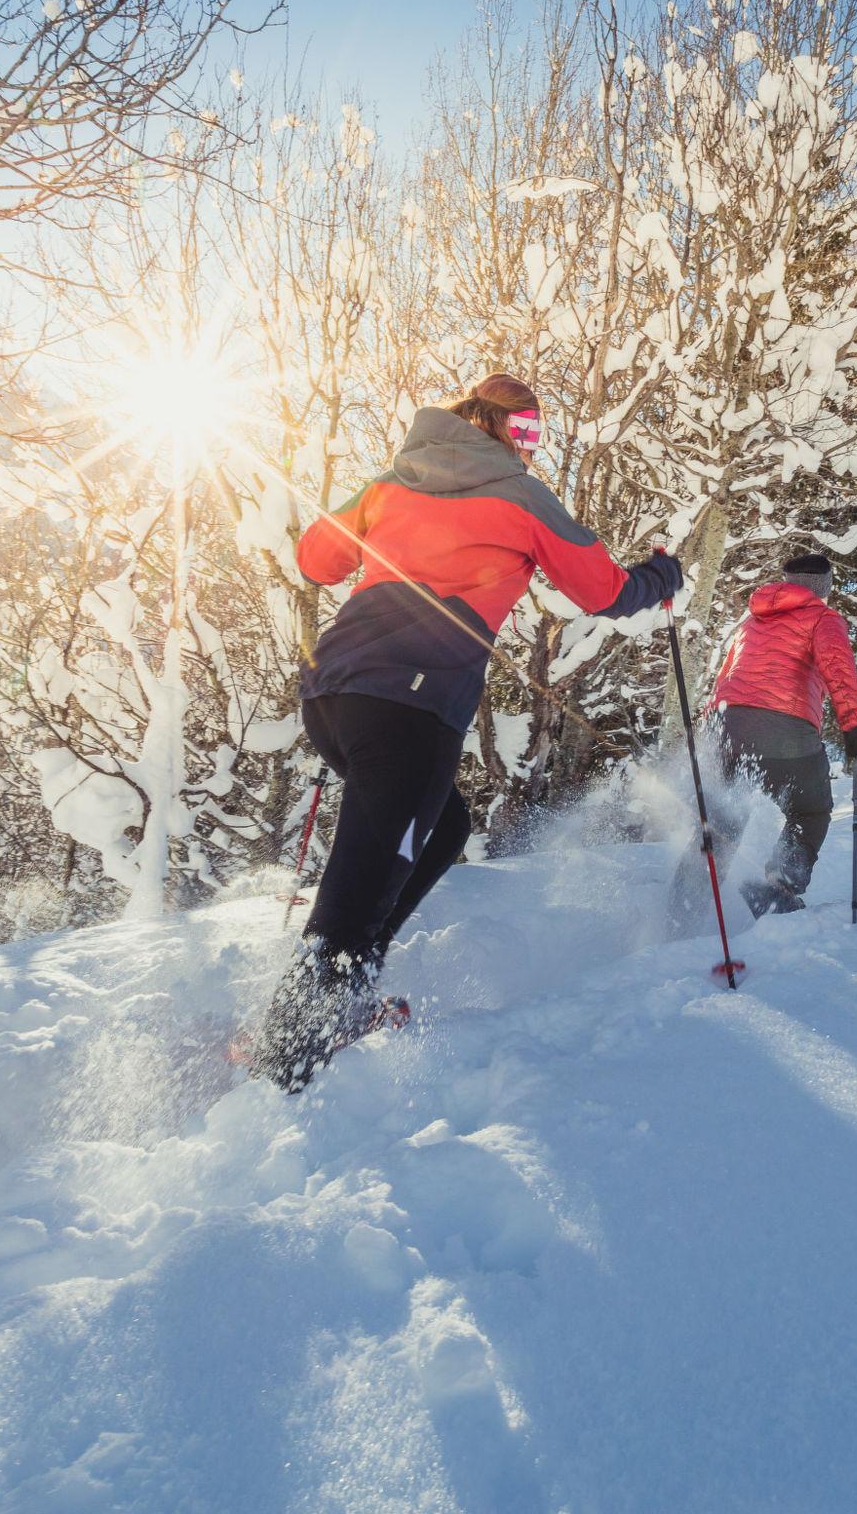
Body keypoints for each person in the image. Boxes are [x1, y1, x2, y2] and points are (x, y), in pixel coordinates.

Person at [255, 372, 682, 1090]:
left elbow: (315, 562)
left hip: (334, 693)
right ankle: (289, 1058)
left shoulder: (394, 478)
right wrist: (661, 576)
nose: (529, 449)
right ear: (491, 425)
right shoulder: (520, 494)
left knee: (444, 826)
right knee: (366, 875)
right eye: (524, 433)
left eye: (534, 438)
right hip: (411, 706)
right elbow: (602, 591)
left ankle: (342, 990)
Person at [704, 551, 857, 917]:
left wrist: (710, 732)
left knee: (724, 818)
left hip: (728, 727)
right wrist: (854, 728)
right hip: (785, 729)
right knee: (810, 810)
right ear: (823, 588)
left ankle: (690, 895)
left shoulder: (752, 622)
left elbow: (725, 680)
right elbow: (839, 673)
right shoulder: (824, 619)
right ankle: (780, 884)